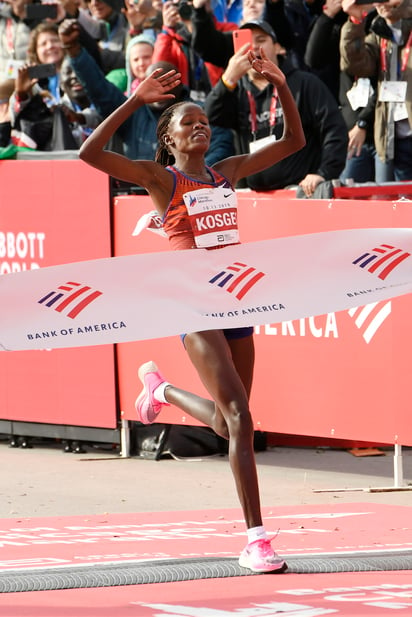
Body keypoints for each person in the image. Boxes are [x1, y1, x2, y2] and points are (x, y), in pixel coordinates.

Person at [78, 49, 305, 572]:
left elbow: (294, 142)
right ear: (169, 140)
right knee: (243, 418)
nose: (200, 128)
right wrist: (136, 99)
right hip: (193, 305)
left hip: (236, 301)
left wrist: (280, 83)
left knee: (229, 427)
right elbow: (89, 154)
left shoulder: (225, 172)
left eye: (204, 121)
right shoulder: (160, 179)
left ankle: (162, 391)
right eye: (188, 123)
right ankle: (257, 541)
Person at [58, 17, 235, 163]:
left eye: (167, 81)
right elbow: (99, 88)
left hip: (191, 194)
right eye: (154, 82)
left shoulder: (199, 112)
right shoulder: (133, 114)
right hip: (140, 195)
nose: (160, 88)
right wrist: (74, 51)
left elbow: (222, 146)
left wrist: (188, 177)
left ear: (181, 85)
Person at [205, 19, 348, 196]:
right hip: (255, 196)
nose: (254, 47)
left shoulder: (305, 83)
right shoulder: (235, 90)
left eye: (261, 40)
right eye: (247, 41)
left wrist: (324, 173)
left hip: (300, 191)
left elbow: (334, 130)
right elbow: (210, 116)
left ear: (279, 47)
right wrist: (228, 79)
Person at [340, 0, 412, 182]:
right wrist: (355, 21)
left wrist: (403, 6)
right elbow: (354, 64)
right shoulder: (379, 34)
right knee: (399, 203)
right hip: (392, 135)